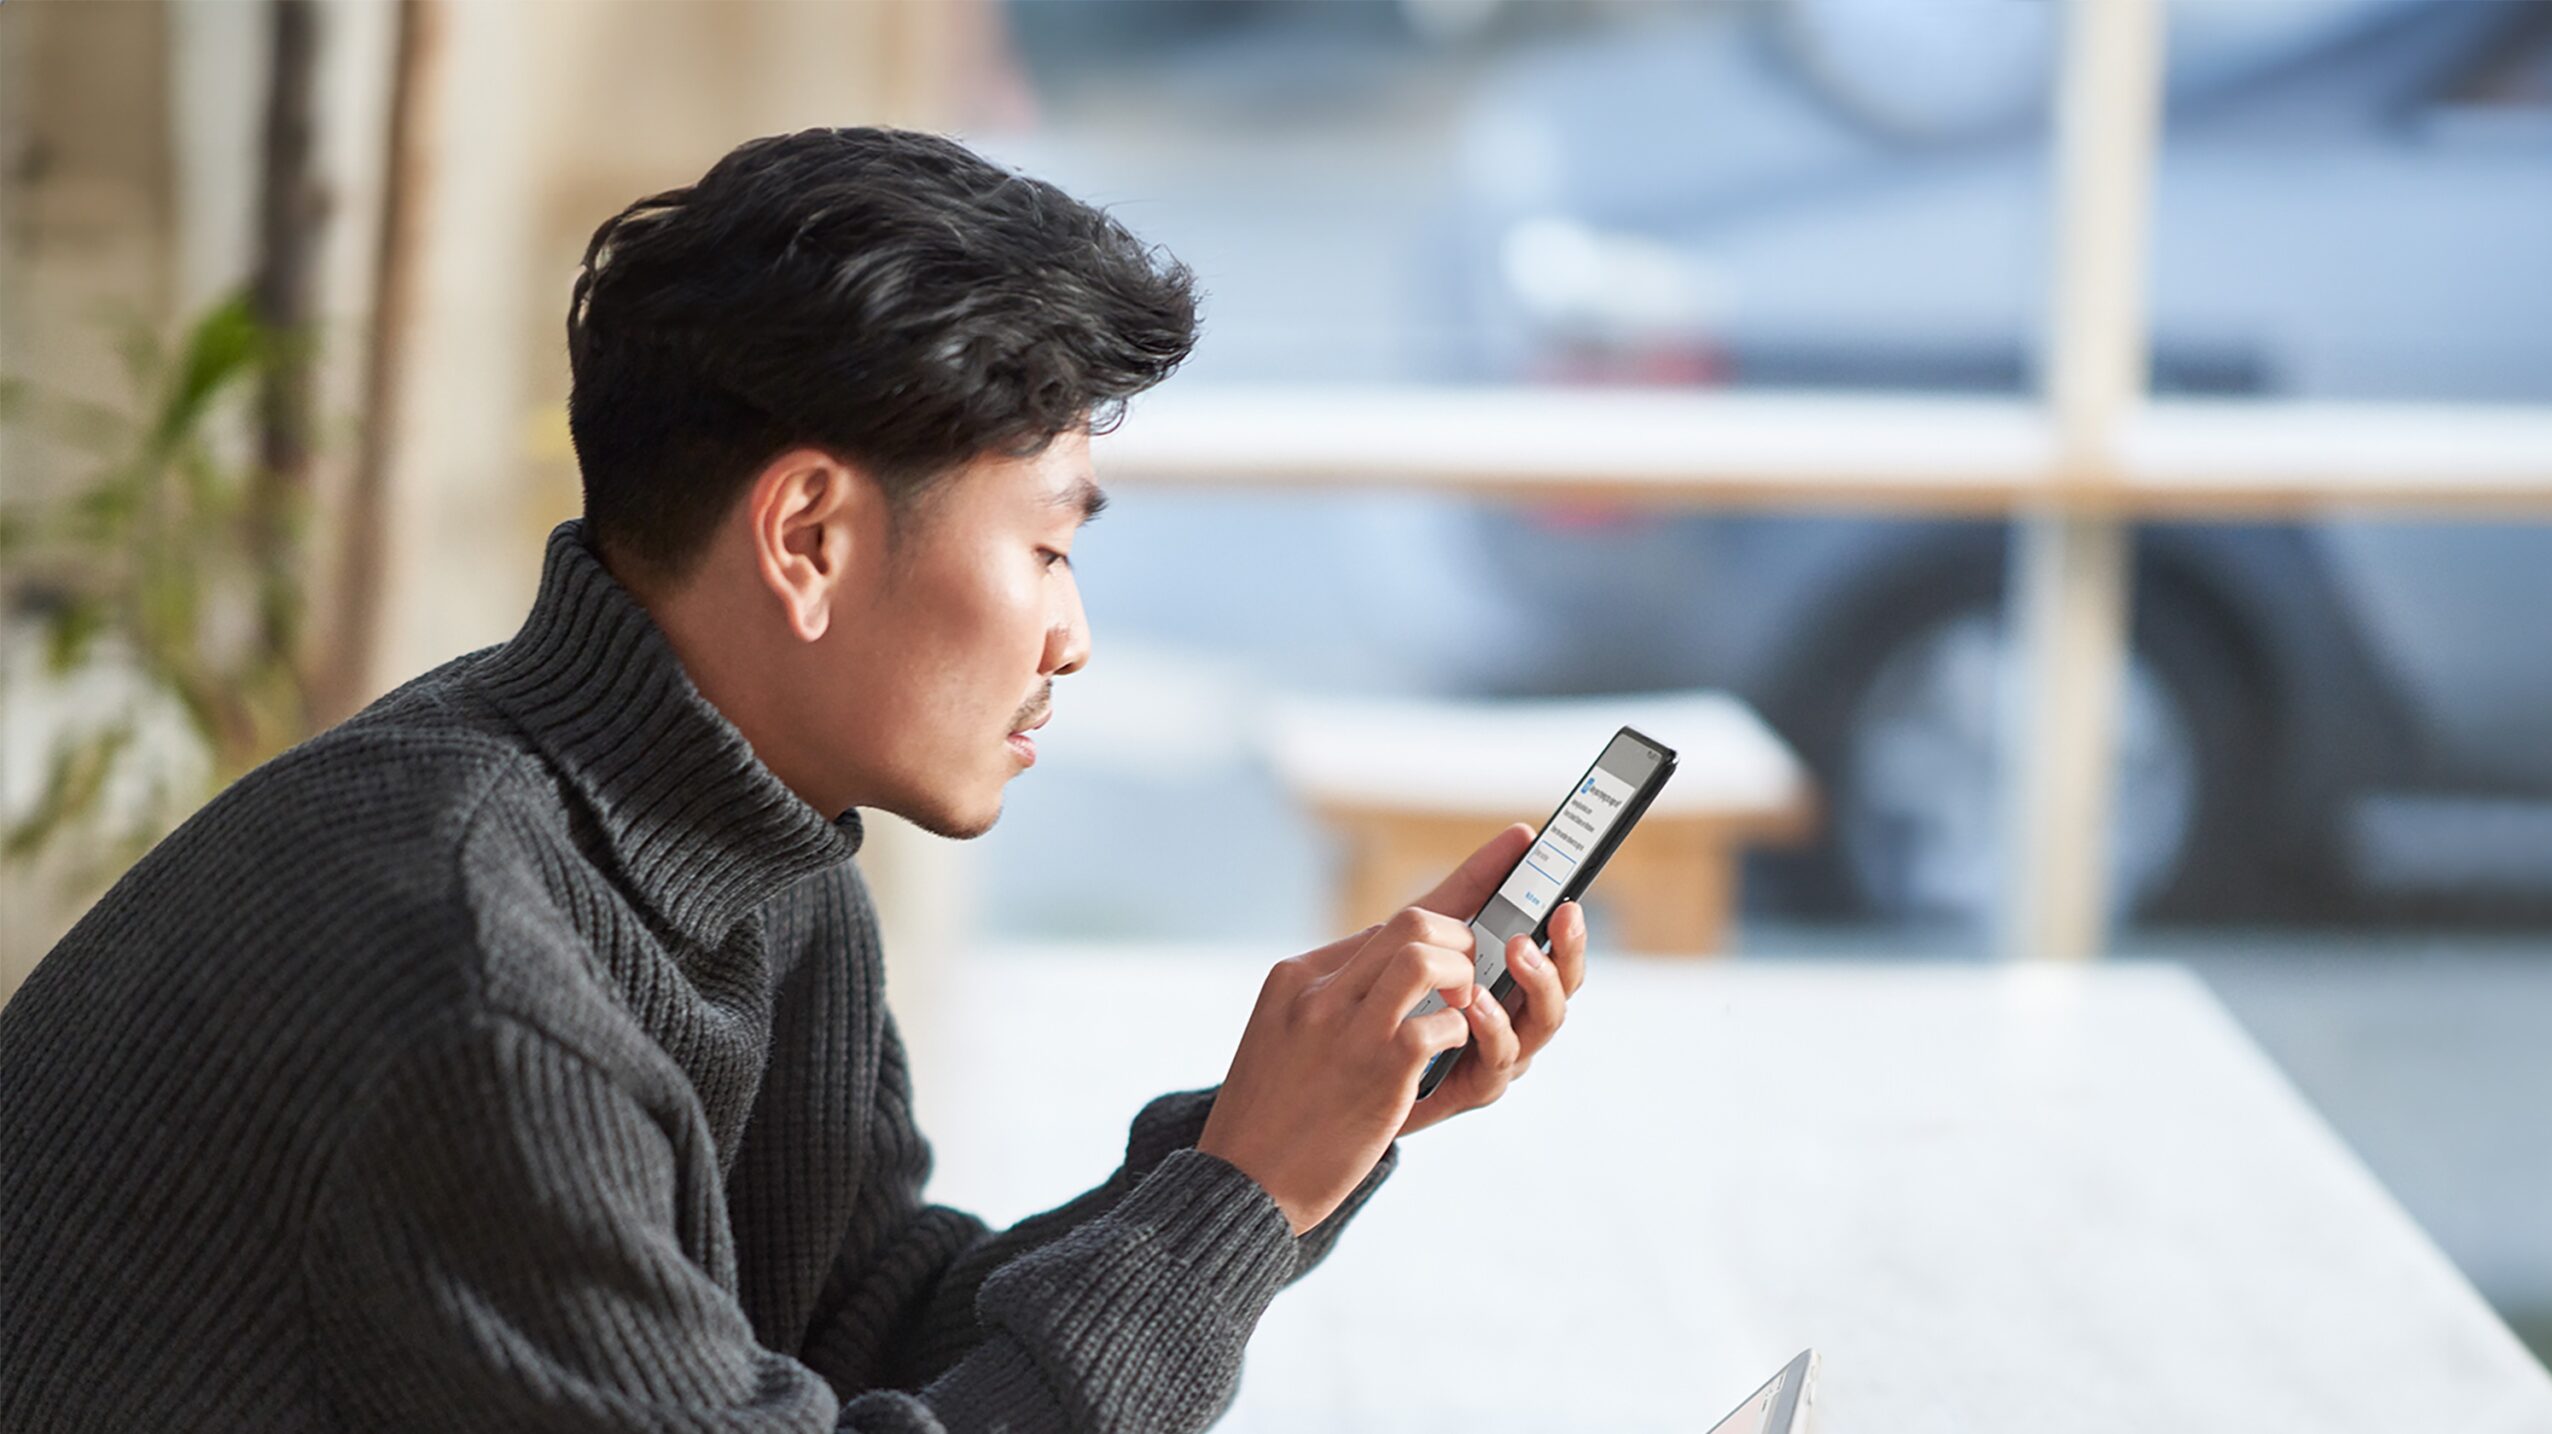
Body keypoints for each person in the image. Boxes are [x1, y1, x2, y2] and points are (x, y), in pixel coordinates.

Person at [0, 127, 1588, 1433]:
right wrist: (1238, 1194)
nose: (1074, 635)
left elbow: (852, 1328)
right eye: (1047, 545)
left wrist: (1279, 1146)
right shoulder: (474, 977)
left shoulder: (754, 851)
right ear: (809, 536)